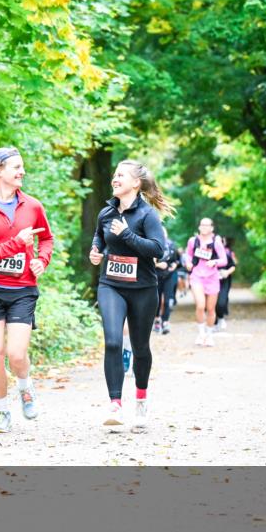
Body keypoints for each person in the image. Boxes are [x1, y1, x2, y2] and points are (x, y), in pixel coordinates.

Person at [0, 146, 54, 433]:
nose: (22, 172)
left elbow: (47, 239)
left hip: (22, 289)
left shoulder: (32, 206)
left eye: (22, 167)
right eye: (16, 167)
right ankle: (2, 411)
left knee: (16, 354)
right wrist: (18, 243)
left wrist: (42, 260)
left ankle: (25, 387)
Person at [89, 159, 172, 432]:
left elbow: (158, 249)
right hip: (111, 284)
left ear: (135, 183)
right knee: (113, 341)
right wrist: (96, 250)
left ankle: (141, 399)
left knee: (140, 348)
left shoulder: (147, 215)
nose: (115, 178)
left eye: (121, 175)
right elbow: (99, 237)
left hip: (143, 288)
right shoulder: (106, 213)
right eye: (114, 174)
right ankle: (115, 404)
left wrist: (127, 235)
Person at [184, 218, 228, 346]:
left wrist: (214, 262)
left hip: (212, 278)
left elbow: (224, 260)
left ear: (211, 228)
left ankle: (209, 336)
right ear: (199, 227)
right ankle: (201, 334)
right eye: (202, 225)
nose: (204, 227)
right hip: (197, 276)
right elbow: (188, 254)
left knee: (210, 309)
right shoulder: (193, 241)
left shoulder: (216, 242)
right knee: (200, 305)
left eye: (206, 225)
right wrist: (188, 262)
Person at [153, 227, 179, 335]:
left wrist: (174, 265)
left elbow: (177, 260)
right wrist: (158, 264)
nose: (162, 235)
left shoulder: (172, 245)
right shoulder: (152, 245)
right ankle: (157, 320)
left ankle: (165, 322)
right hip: (156, 276)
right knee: (156, 300)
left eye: (164, 233)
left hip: (170, 275)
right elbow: (148, 262)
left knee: (169, 300)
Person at [215, 236, 237, 330]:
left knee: (221, 302)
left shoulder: (227, 253)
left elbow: (233, 266)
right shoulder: (208, 254)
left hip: (224, 281)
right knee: (211, 303)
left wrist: (227, 272)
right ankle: (213, 322)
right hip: (210, 281)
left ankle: (221, 318)